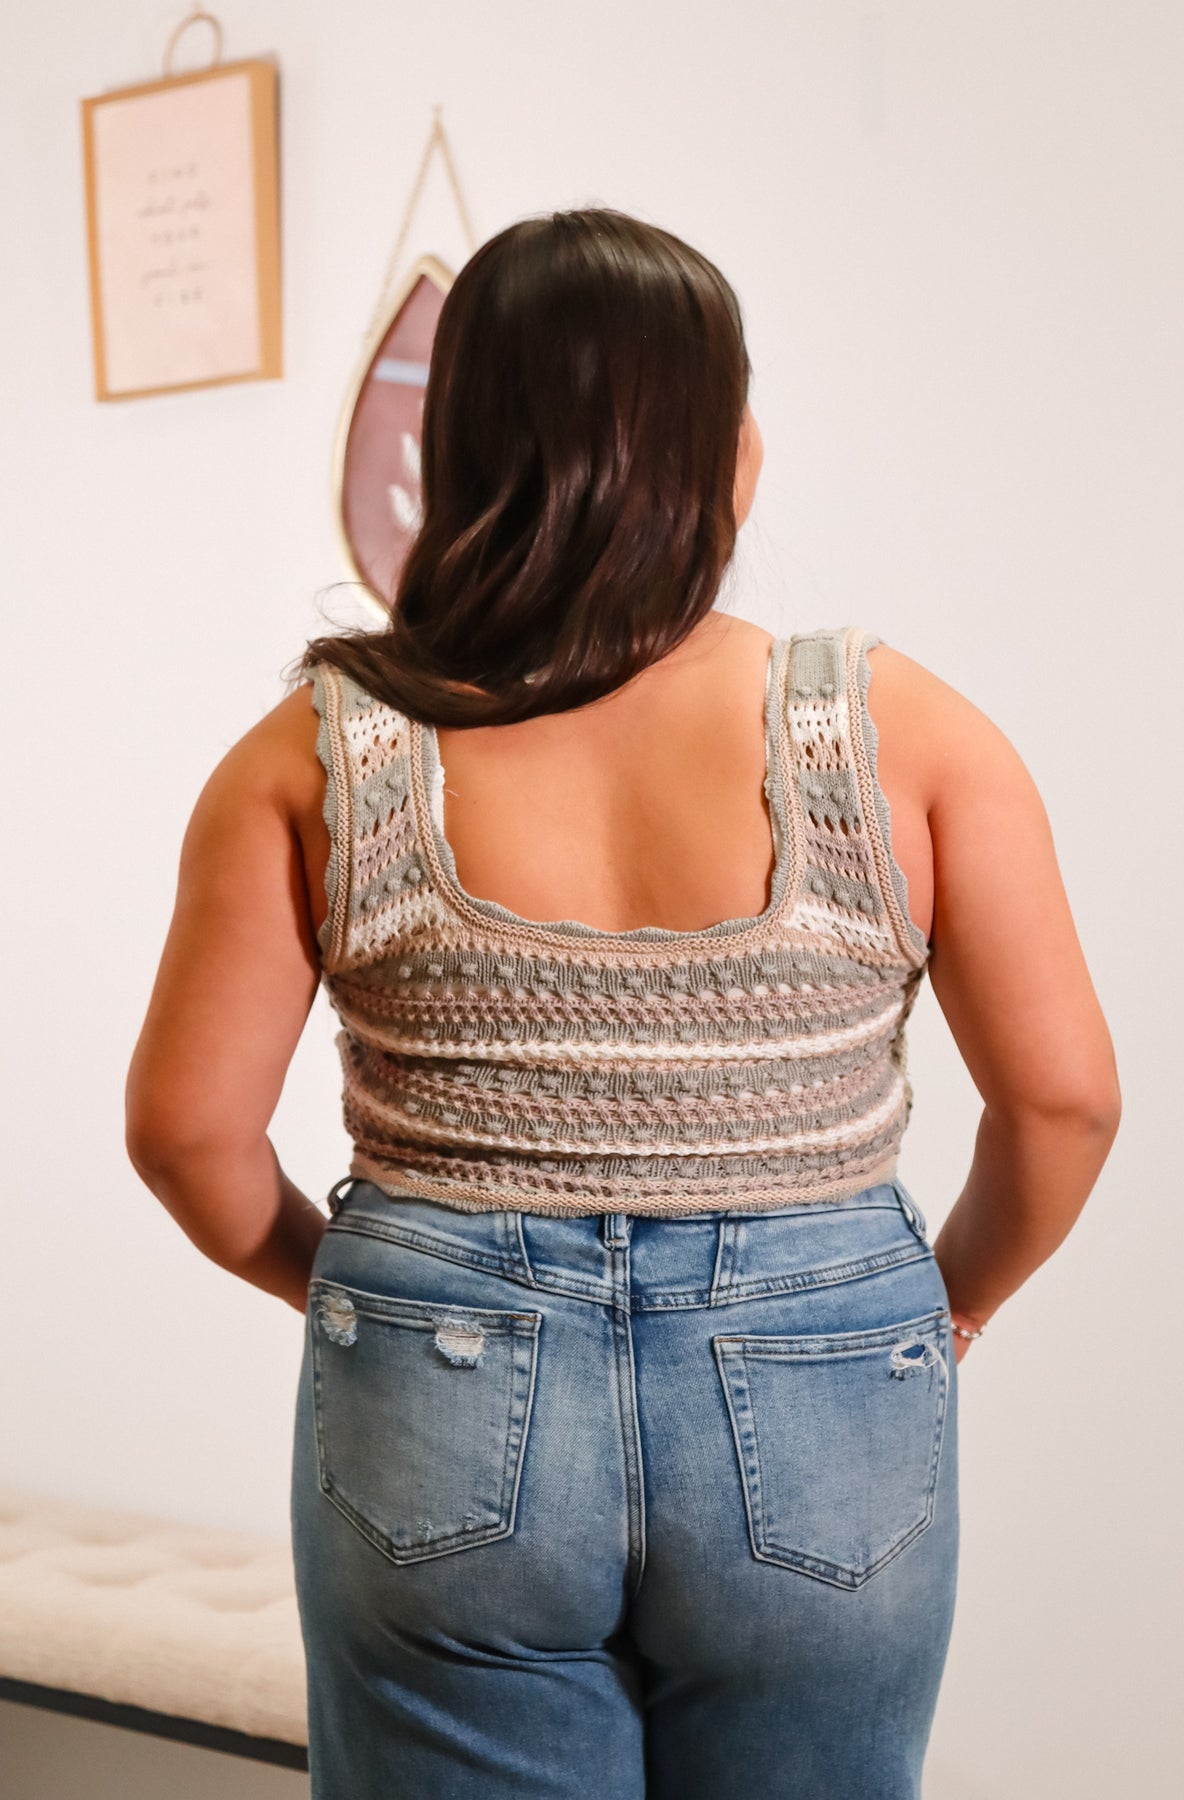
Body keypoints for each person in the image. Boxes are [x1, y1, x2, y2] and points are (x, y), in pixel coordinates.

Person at [125, 208, 1121, 1800]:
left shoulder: (324, 751)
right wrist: (957, 1301)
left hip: (438, 1376)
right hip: (824, 1374)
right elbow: (1066, 1099)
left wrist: (354, 1285)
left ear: (457, 454)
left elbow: (185, 1131)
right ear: (729, 452)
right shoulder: (897, 734)